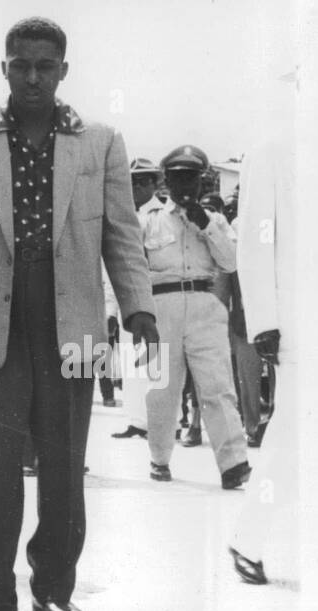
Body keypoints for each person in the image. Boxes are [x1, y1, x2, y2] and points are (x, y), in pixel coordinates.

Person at [0, 16, 158, 611]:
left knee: (63, 462)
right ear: (3, 68)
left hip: (73, 321)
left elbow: (121, 234)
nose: (32, 77)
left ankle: (54, 585)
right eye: (20, 65)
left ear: (63, 70)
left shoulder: (100, 142)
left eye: (44, 66)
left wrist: (138, 305)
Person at [141, 145, 250, 489]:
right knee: (162, 388)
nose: (186, 186)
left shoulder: (216, 221)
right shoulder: (149, 220)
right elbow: (132, 268)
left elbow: (232, 263)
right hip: (163, 306)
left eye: (192, 178)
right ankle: (159, 457)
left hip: (205, 302)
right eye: (178, 178)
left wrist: (206, 225)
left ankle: (233, 463)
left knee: (218, 386)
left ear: (203, 182)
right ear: (166, 181)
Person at [228, 134, 297, 584]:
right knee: (294, 436)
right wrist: (264, 322)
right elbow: (254, 239)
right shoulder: (274, 149)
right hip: (301, 319)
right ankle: (248, 538)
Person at [111, 158, 163, 441]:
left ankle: (160, 420)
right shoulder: (123, 213)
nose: (137, 187)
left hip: (154, 297)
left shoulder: (160, 214)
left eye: (144, 181)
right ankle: (135, 420)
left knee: (156, 361)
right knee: (130, 359)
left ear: (155, 183)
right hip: (126, 299)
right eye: (133, 182)